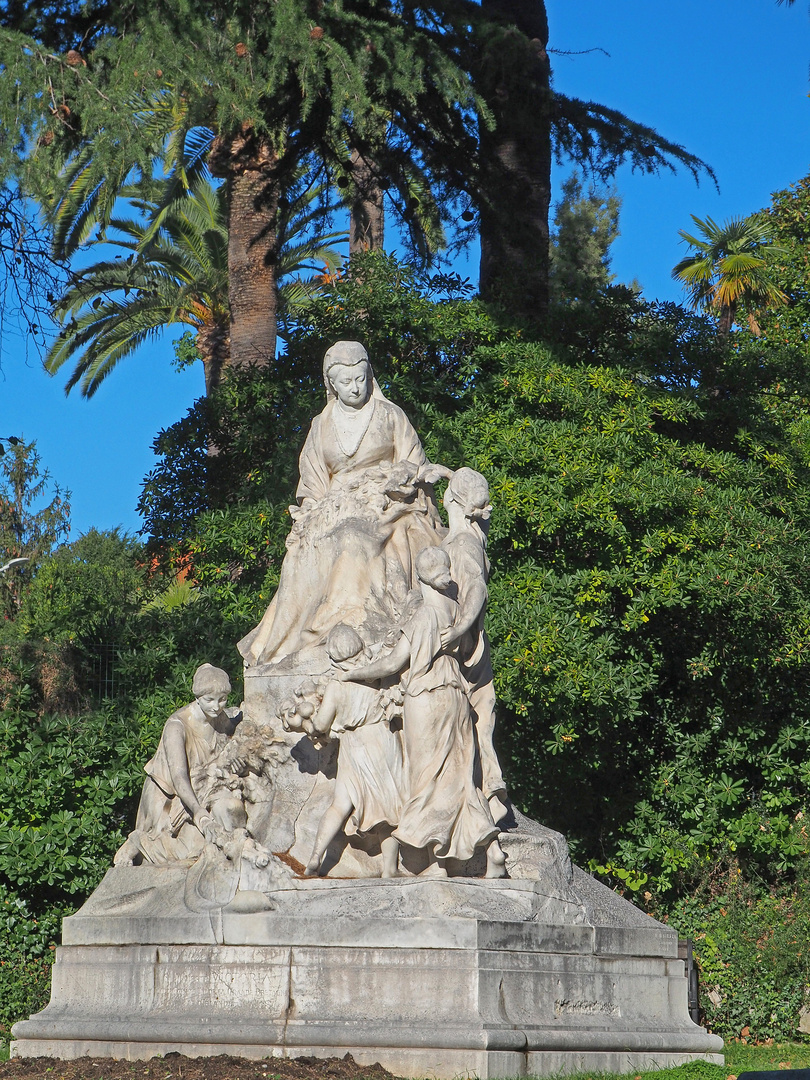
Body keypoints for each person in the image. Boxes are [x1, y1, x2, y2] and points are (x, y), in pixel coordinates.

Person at [238, 340, 445, 667]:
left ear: (370, 377)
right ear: (331, 384)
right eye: (346, 382)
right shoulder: (321, 425)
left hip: (386, 505)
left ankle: (344, 627)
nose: (355, 388)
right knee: (297, 557)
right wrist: (310, 513)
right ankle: (286, 644)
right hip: (333, 508)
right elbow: (313, 480)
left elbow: (414, 463)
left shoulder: (391, 416)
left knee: (351, 542)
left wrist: (398, 480)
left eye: (361, 379)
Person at [341, 547, 505, 878]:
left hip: (426, 700)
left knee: (428, 780)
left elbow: (392, 663)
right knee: (461, 781)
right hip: (458, 697)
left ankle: (438, 864)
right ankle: (493, 852)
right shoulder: (456, 612)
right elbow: (472, 646)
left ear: (421, 578)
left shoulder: (423, 617)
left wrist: (351, 673)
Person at [114, 664, 247, 866]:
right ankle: (139, 842)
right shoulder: (176, 726)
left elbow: (232, 738)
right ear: (197, 697)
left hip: (203, 787)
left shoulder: (219, 717)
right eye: (209, 700)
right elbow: (179, 778)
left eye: (222, 699)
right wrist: (200, 814)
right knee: (185, 854)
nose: (216, 706)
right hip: (169, 796)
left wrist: (236, 760)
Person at [302, 624, 405, 879]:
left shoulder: (337, 685)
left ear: (334, 658)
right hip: (382, 741)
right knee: (390, 809)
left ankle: (315, 856)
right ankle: (390, 869)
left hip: (353, 746)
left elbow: (321, 725)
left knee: (339, 805)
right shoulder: (375, 674)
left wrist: (308, 724)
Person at [440, 468, 508, 823]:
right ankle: (493, 794)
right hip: (476, 649)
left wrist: (457, 629)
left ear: (450, 500)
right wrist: (446, 473)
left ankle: (478, 804)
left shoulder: (460, 544)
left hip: (464, 650)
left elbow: (476, 590)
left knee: (468, 725)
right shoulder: (474, 536)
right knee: (482, 721)